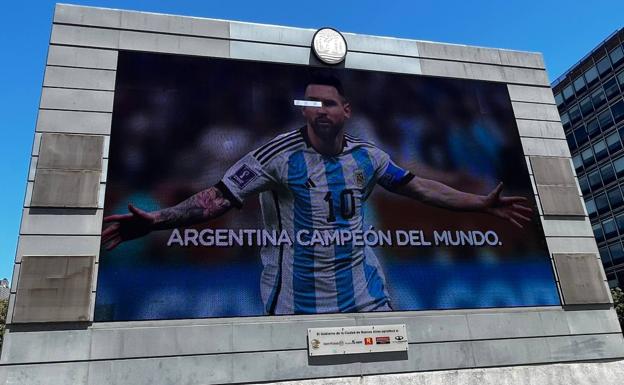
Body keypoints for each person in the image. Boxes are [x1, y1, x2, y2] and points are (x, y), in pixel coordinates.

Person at [102, 74, 532, 315]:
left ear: (346, 111)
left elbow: (419, 187)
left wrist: (478, 203)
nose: (319, 110)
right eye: (311, 103)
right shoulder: (276, 155)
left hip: (368, 303)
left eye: (329, 102)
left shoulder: (369, 156)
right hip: (296, 308)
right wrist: (160, 220)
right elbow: (218, 197)